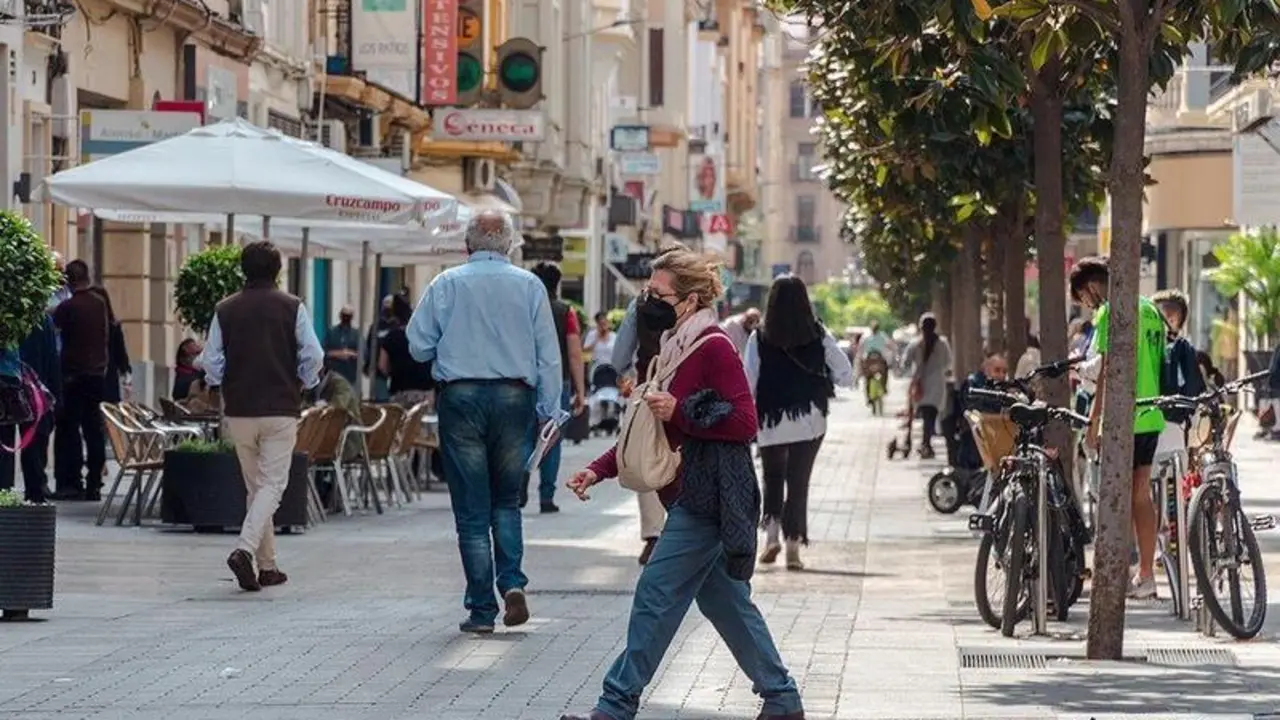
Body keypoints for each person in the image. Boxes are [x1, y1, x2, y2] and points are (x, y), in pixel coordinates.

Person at [562, 249, 804, 720]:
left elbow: (744, 421)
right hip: (689, 492)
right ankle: (781, 697)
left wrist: (682, 411)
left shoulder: (713, 346)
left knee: (655, 593)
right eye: (646, 292)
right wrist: (597, 468)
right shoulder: (671, 348)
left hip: (708, 497)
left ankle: (614, 706)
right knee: (726, 603)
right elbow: (651, 432)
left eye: (658, 294)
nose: (647, 302)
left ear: (690, 301)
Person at [406, 210, 565, 634]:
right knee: (506, 500)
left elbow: (417, 345)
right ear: (510, 247)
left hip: (461, 398)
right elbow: (548, 354)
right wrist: (551, 410)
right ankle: (511, 582)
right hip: (516, 397)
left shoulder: (446, 283)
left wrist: (449, 346)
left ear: (468, 246)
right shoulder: (530, 286)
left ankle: (481, 610)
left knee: (472, 509)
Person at [200, 241, 324, 592]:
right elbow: (313, 354)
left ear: (243, 269)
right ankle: (244, 549)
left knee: (256, 487)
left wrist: (223, 381)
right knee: (273, 486)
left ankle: (267, 567)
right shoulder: (292, 306)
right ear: (278, 270)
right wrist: (303, 380)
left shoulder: (225, 309)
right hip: (280, 407)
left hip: (239, 409)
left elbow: (210, 361)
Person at [1071, 256, 1166, 600]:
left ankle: (1118, 573)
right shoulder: (1151, 310)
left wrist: (1093, 424)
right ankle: (1145, 574)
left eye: (1084, 297)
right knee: (1141, 495)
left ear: (1092, 286)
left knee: (1116, 495)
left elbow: (1108, 371)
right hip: (1151, 413)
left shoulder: (1112, 311)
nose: (1087, 305)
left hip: (1122, 414)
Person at [744, 275, 853, 570]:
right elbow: (845, 372)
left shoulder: (760, 337)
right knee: (799, 482)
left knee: (772, 477)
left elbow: (748, 380)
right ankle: (793, 547)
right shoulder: (819, 334)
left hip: (771, 419)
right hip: (810, 419)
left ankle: (771, 539)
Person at [610, 243, 689, 565]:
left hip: (649, 386)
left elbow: (617, 358)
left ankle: (654, 535)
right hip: (687, 388)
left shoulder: (639, 304)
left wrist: (628, 375)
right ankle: (683, 530)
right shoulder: (694, 306)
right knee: (682, 456)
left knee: (645, 452)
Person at [527, 261, 586, 513]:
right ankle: (546, 496)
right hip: (556, 381)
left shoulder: (523, 309)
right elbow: (574, 353)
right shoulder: (565, 311)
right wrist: (580, 390)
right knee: (551, 437)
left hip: (524, 381)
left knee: (520, 435)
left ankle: (518, 482)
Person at [51, 260, 110, 501]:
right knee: (93, 429)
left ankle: (70, 481)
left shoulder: (68, 307)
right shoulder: (100, 304)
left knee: (68, 429)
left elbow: (53, 327)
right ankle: (94, 482)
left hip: (72, 376)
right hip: (97, 375)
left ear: (68, 280)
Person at [0, 314, 59, 503]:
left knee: (4, 445)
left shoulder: (8, 315)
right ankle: (35, 492)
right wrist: (55, 394)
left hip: (8, 386)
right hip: (33, 387)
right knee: (33, 442)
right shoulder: (40, 318)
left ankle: (5, 494)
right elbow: (51, 358)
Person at [903, 313, 951, 459]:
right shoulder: (942, 344)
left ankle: (925, 444)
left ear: (920, 327)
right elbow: (948, 363)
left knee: (925, 417)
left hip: (920, 386)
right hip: (937, 386)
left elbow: (905, 363)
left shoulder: (915, 344)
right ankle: (926, 444)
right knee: (931, 417)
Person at [86, 286, 132, 404]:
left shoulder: (113, 327)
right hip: (92, 380)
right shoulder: (86, 325)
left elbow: (121, 354)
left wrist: (126, 377)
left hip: (106, 379)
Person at [324, 306, 361, 386]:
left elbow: (363, 353)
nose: (346, 318)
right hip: (334, 375)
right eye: (344, 315)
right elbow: (324, 351)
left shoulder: (356, 334)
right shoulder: (332, 332)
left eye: (348, 316)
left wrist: (351, 354)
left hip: (351, 376)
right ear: (340, 316)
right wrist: (339, 354)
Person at [584, 311, 617, 378]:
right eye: (601, 323)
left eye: (605, 323)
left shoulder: (614, 336)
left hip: (611, 369)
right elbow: (585, 350)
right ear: (597, 323)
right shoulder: (592, 335)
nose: (603, 326)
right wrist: (597, 338)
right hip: (596, 368)